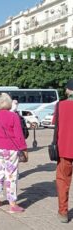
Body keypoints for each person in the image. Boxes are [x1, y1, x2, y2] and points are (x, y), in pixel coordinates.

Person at [0, 93, 27, 213]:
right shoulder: (13, 116)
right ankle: (12, 203)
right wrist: (24, 149)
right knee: (11, 175)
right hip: (10, 149)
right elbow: (19, 135)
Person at [55, 79, 73, 223]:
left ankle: (63, 212)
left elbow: (56, 124)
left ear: (68, 90)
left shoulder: (60, 105)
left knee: (63, 181)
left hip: (65, 149)